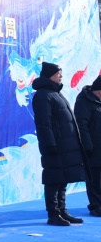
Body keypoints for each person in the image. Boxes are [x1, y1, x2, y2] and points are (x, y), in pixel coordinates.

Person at [31, 61, 86, 226]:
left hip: (64, 145)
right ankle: (53, 214)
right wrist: (50, 144)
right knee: (53, 179)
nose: (61, 76)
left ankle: (62, 211)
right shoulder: (43, 95)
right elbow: (43, 123)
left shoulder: (55, 93)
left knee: (63, 178)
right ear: (49, 75)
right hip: (54, 146)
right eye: (58, 74)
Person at [74, 76, 101, 217]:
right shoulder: (84, 101)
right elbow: (81, 126)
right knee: (94, 177)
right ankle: (96, 206)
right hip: (93, 147)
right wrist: (88, 146)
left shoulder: (98, 102)